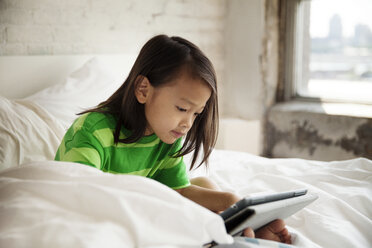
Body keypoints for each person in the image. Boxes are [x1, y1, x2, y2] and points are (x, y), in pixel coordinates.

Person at [54, 34, 291, 244]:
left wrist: (231, 202)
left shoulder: (165, 136)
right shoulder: (93, 131)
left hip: (145, 202)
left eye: (196, 113)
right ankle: (227, 234)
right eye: (181, 108)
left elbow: (179, 190)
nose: (188, 123)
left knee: (205, 186)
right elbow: (81, 194)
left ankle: (238, 230)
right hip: (101, 206)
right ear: (143, 89)